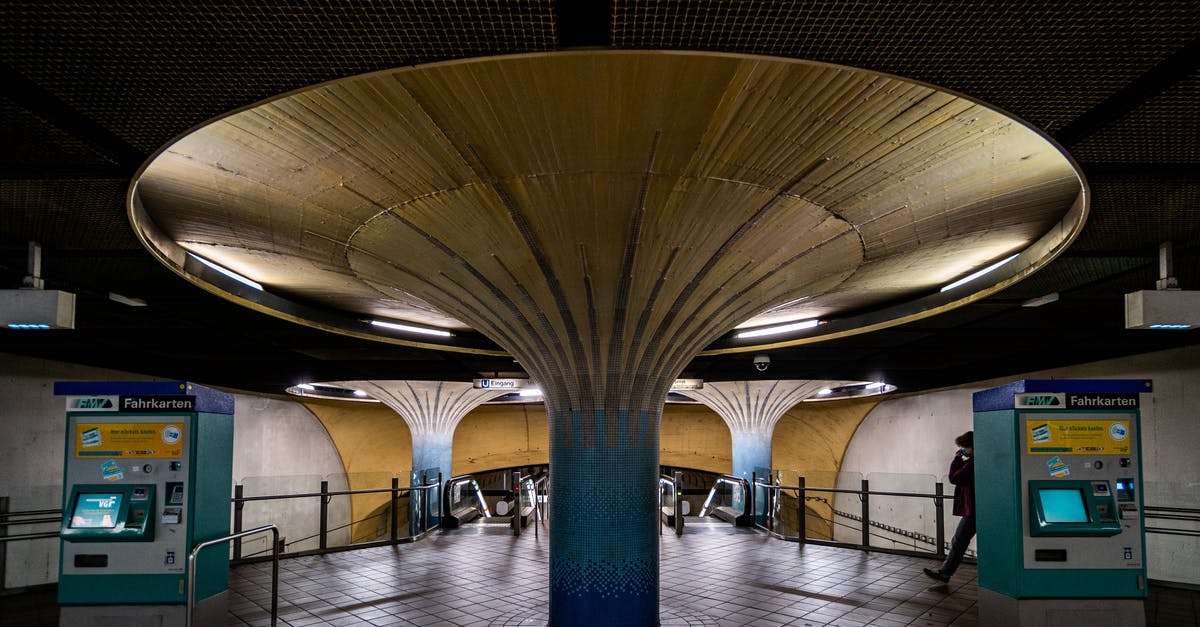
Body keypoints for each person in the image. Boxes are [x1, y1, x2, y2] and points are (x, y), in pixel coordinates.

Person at [924, 430, 975, 583]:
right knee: (960, 541)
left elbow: (953, 477)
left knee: (959, 542)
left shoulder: (972, 465)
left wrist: (957, 458)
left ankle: (945, 574)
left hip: (973, 511)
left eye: (965, 447)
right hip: (979, 509)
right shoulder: (975, 463)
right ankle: (945, 573)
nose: (964, 450)